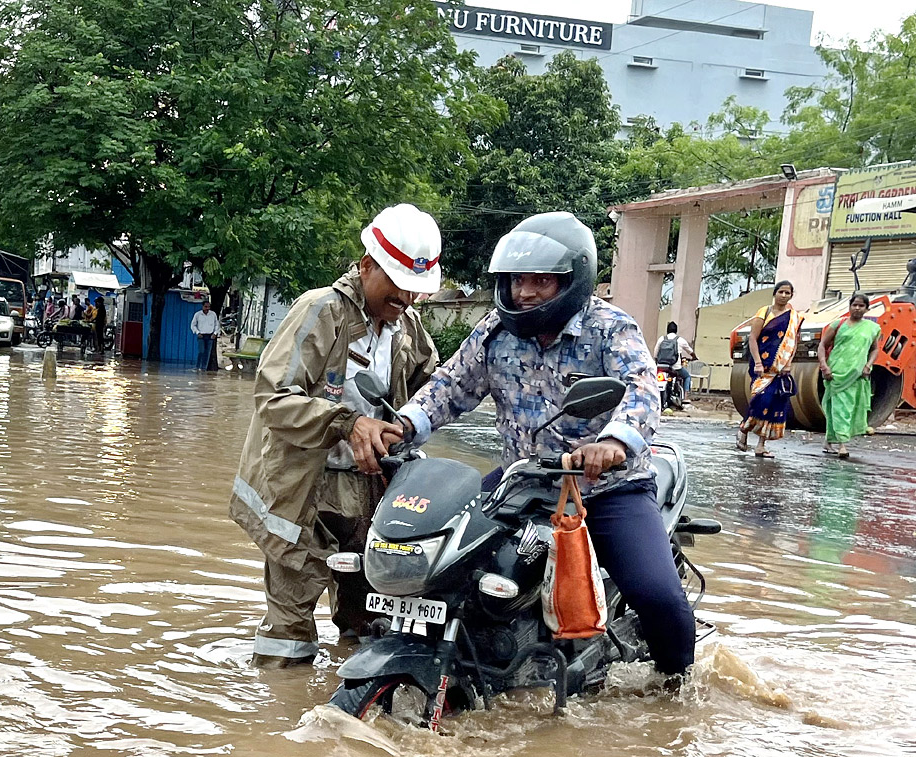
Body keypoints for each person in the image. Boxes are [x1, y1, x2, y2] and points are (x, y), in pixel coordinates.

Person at [363, 211, 694, 678]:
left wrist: (614, 442)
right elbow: (450, 387)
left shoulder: (610, 328)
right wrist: (402, 427)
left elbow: (642, 389)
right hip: (522, 482)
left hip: (604, 490)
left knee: (656, 593)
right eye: (518, 279)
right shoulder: (495, 331)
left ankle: (677, 687)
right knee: (448, 556)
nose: (525, 292)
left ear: (573, 281)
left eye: (542, 281)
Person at [229, 203, 441, 667]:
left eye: (415, 290)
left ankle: (345, 712)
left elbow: (438, 387)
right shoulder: (320, 310)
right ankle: (277, 717)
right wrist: (346, 421)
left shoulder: (406, 327)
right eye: (398, 284)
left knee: (367, 616)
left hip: (370, 489)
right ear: (366, 267)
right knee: (289, 626)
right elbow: (273, 398)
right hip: (305, 489)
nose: (406, 297)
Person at [735, 280, 802, 458]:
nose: (784, 296)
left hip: (780, 369)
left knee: (774, 404)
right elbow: (753, 339)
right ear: (775, 293)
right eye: (781, 292)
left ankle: (760, 445)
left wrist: (788, 363)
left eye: (788, 293)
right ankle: (744, 428)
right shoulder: (764, 312)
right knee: (761, 401)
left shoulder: (794, 317)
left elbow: (793, 342)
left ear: (791, 295)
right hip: (761, 366)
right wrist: (757, 362)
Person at [818, 292, 881, 459]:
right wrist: (824, 366)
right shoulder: (838, 325)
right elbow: (822, 345)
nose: (857, 308)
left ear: (867, 309)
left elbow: (875, 349)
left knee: (850, 408)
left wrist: (869, 365)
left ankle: (829, 440)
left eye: (861, 306)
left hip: (858, 375)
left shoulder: (872, 328)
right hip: (837, 373)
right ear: (850, 307)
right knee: (840, 409)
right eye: (855, 305)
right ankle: (842, 445)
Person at [653, 321, 696, 402]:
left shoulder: (661, 339)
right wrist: (694, 357)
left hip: (662, 366)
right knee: (687, 376)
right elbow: (690, 351)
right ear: (676, 330)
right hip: (675, 367)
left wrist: (657, 362)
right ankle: (685, 397)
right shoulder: (680, 340)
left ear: (667, 330)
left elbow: (655, 353)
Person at [191, 299, 219, 369]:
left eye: (208, 307)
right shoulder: (197, 314)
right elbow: (193, 325)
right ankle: (197, 367)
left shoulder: (213, 314)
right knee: (201, 351)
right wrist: (197, 332)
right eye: (206, 307)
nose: (207, 308)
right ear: (202, 306)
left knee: (207, 353)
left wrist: (215, 333)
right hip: (201, 336)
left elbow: (217, 325)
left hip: (210, 336)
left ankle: (204, 368)